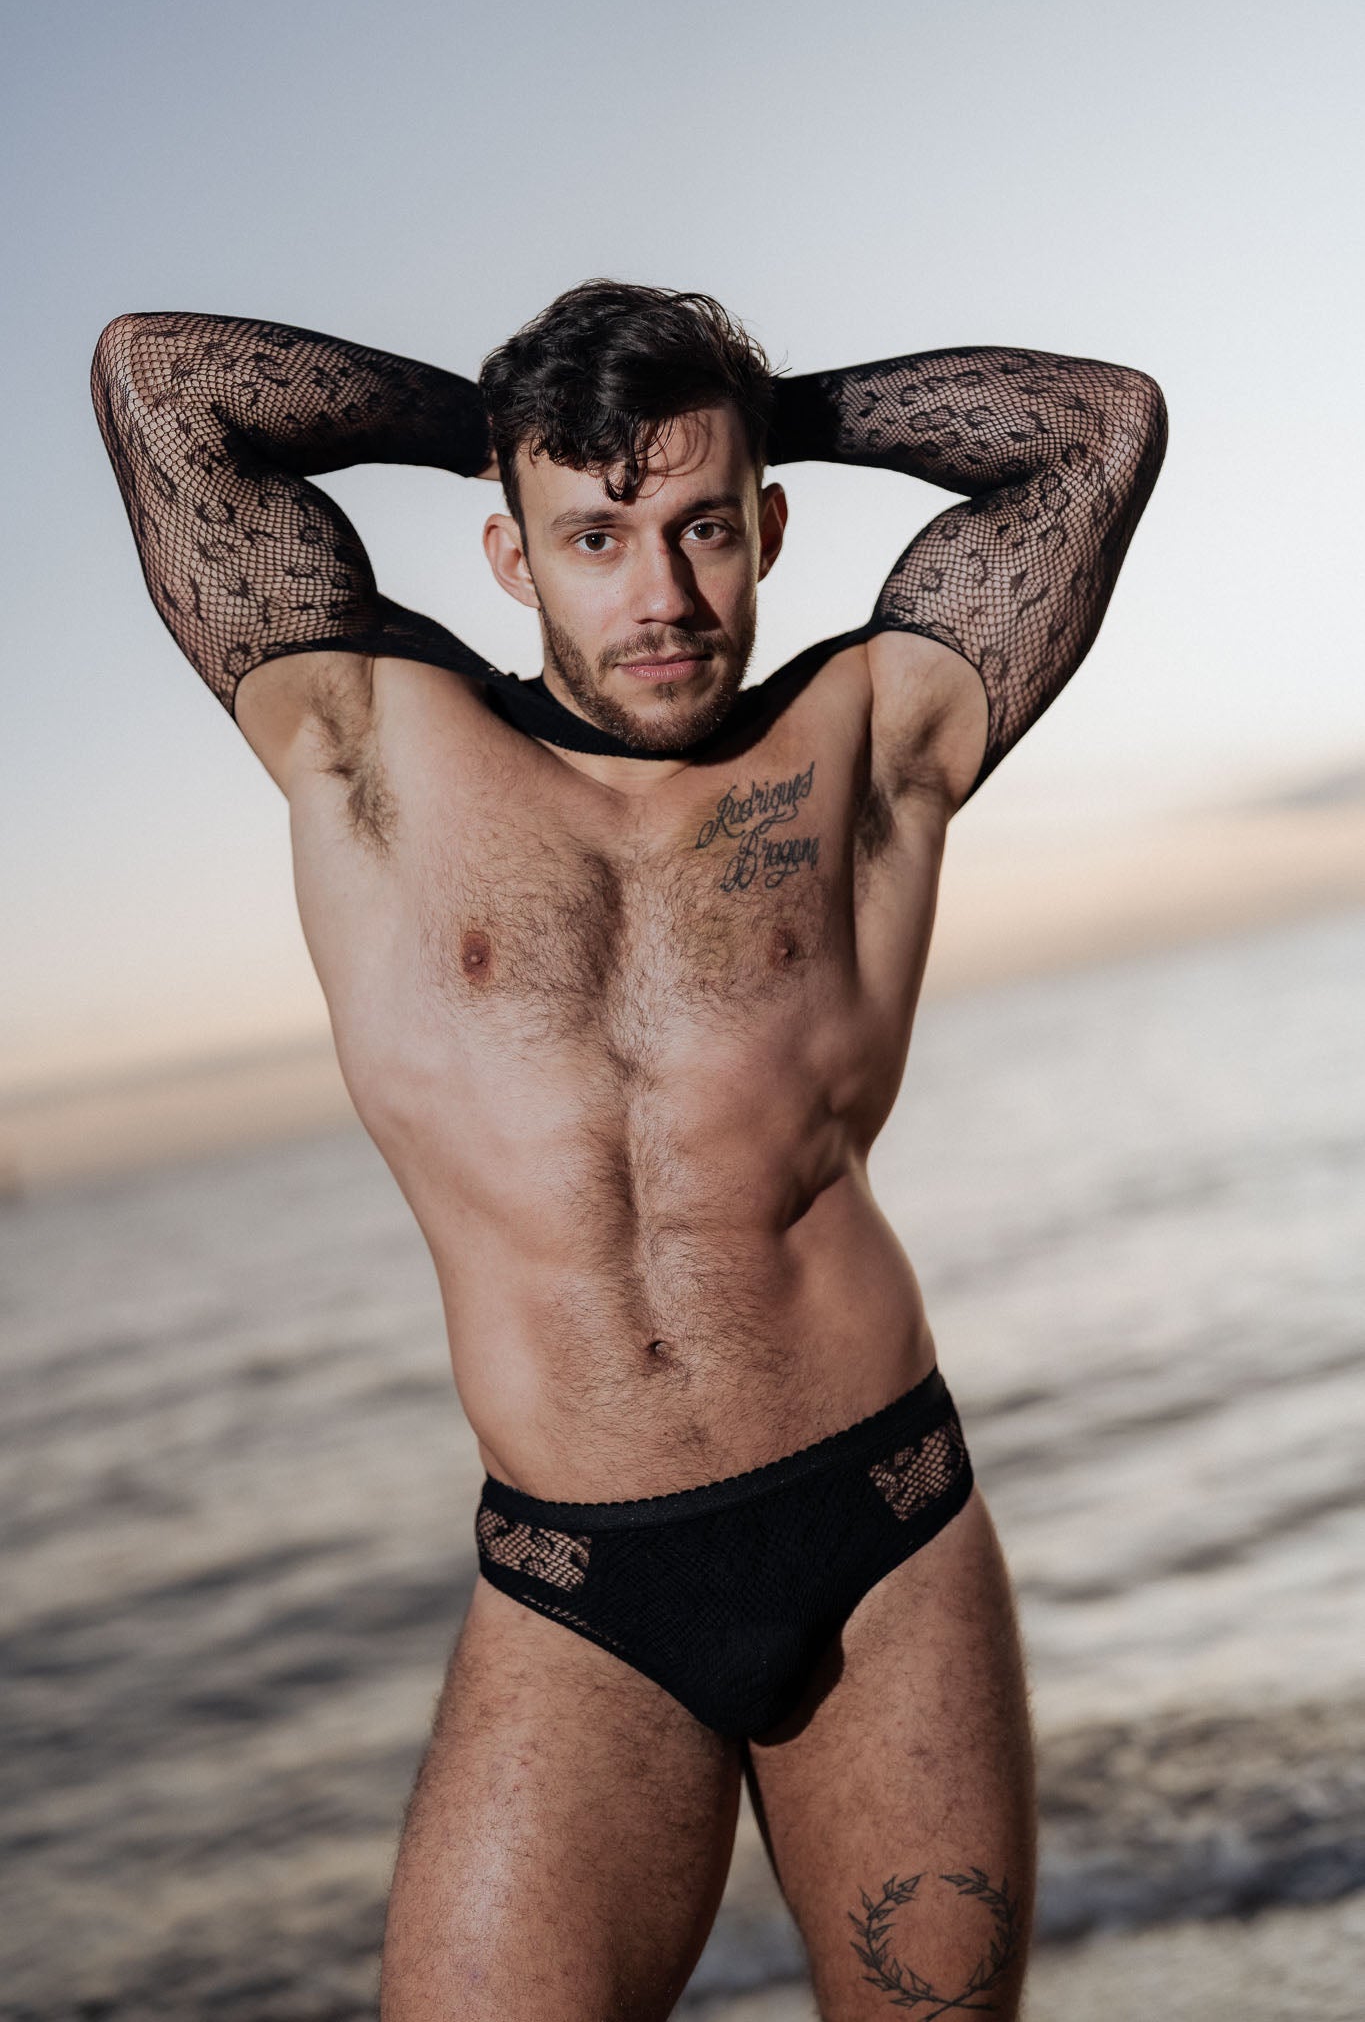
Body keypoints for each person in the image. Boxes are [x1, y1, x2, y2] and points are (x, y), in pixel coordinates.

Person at [91, 282, 1167, 2021]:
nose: (660, 595)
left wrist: (742, 411)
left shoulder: (868, 740)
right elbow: (161, 380)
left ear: (767, 530)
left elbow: (1093, 425)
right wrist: (515, 430)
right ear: (511, 557)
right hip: (581, 1587)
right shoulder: (368, 738)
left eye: (704, 529)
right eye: (593, 537)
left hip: (883, 1537)